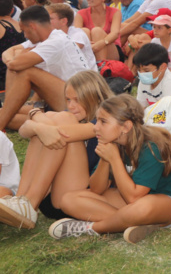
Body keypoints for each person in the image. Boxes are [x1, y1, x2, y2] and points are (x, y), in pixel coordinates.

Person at [49, 95, 171, 243]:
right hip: (132, 203)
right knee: (69, 200)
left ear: (126, 127)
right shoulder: (114, 143)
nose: (96, 127)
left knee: (142, 207)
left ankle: (92, 228)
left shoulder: (151, 147)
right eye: (97, 120)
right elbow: (97, 189)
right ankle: (133, 223)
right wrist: (105, 159)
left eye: (103, 122)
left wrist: (115, 159)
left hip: (169, 203)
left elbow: (134, 198)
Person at [0, 71, 113, 229]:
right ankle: (22, 199)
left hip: (74, 199)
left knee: (55, 125)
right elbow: (23, 130)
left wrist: (36, 119)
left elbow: (59, 134)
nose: (71, 105)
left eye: (77, 100)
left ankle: (29, 204)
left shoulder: (103, 124)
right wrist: (37, 124)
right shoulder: (68, 116)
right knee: (52, 122)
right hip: (50, 197)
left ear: (95, 97)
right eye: (68, 99)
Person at [0, 6, 93, 131]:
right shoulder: (46, 36)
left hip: (81, 99)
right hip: (63, 96)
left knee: (25, 71)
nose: (24, 35)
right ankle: (5, 118)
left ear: (32, 27)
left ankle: (1, 126)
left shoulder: (55, 41)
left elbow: (15, 65)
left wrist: (16, 58)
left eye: (24, 31)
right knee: (8, 114)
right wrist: (15, 58)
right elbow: (7, 52)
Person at [134, 43, 171, 108]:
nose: (142, 74)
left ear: (162, 67)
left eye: (146, 71)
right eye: (139, 70)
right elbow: (140, 108)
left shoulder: (170, 83)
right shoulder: (144, 82)